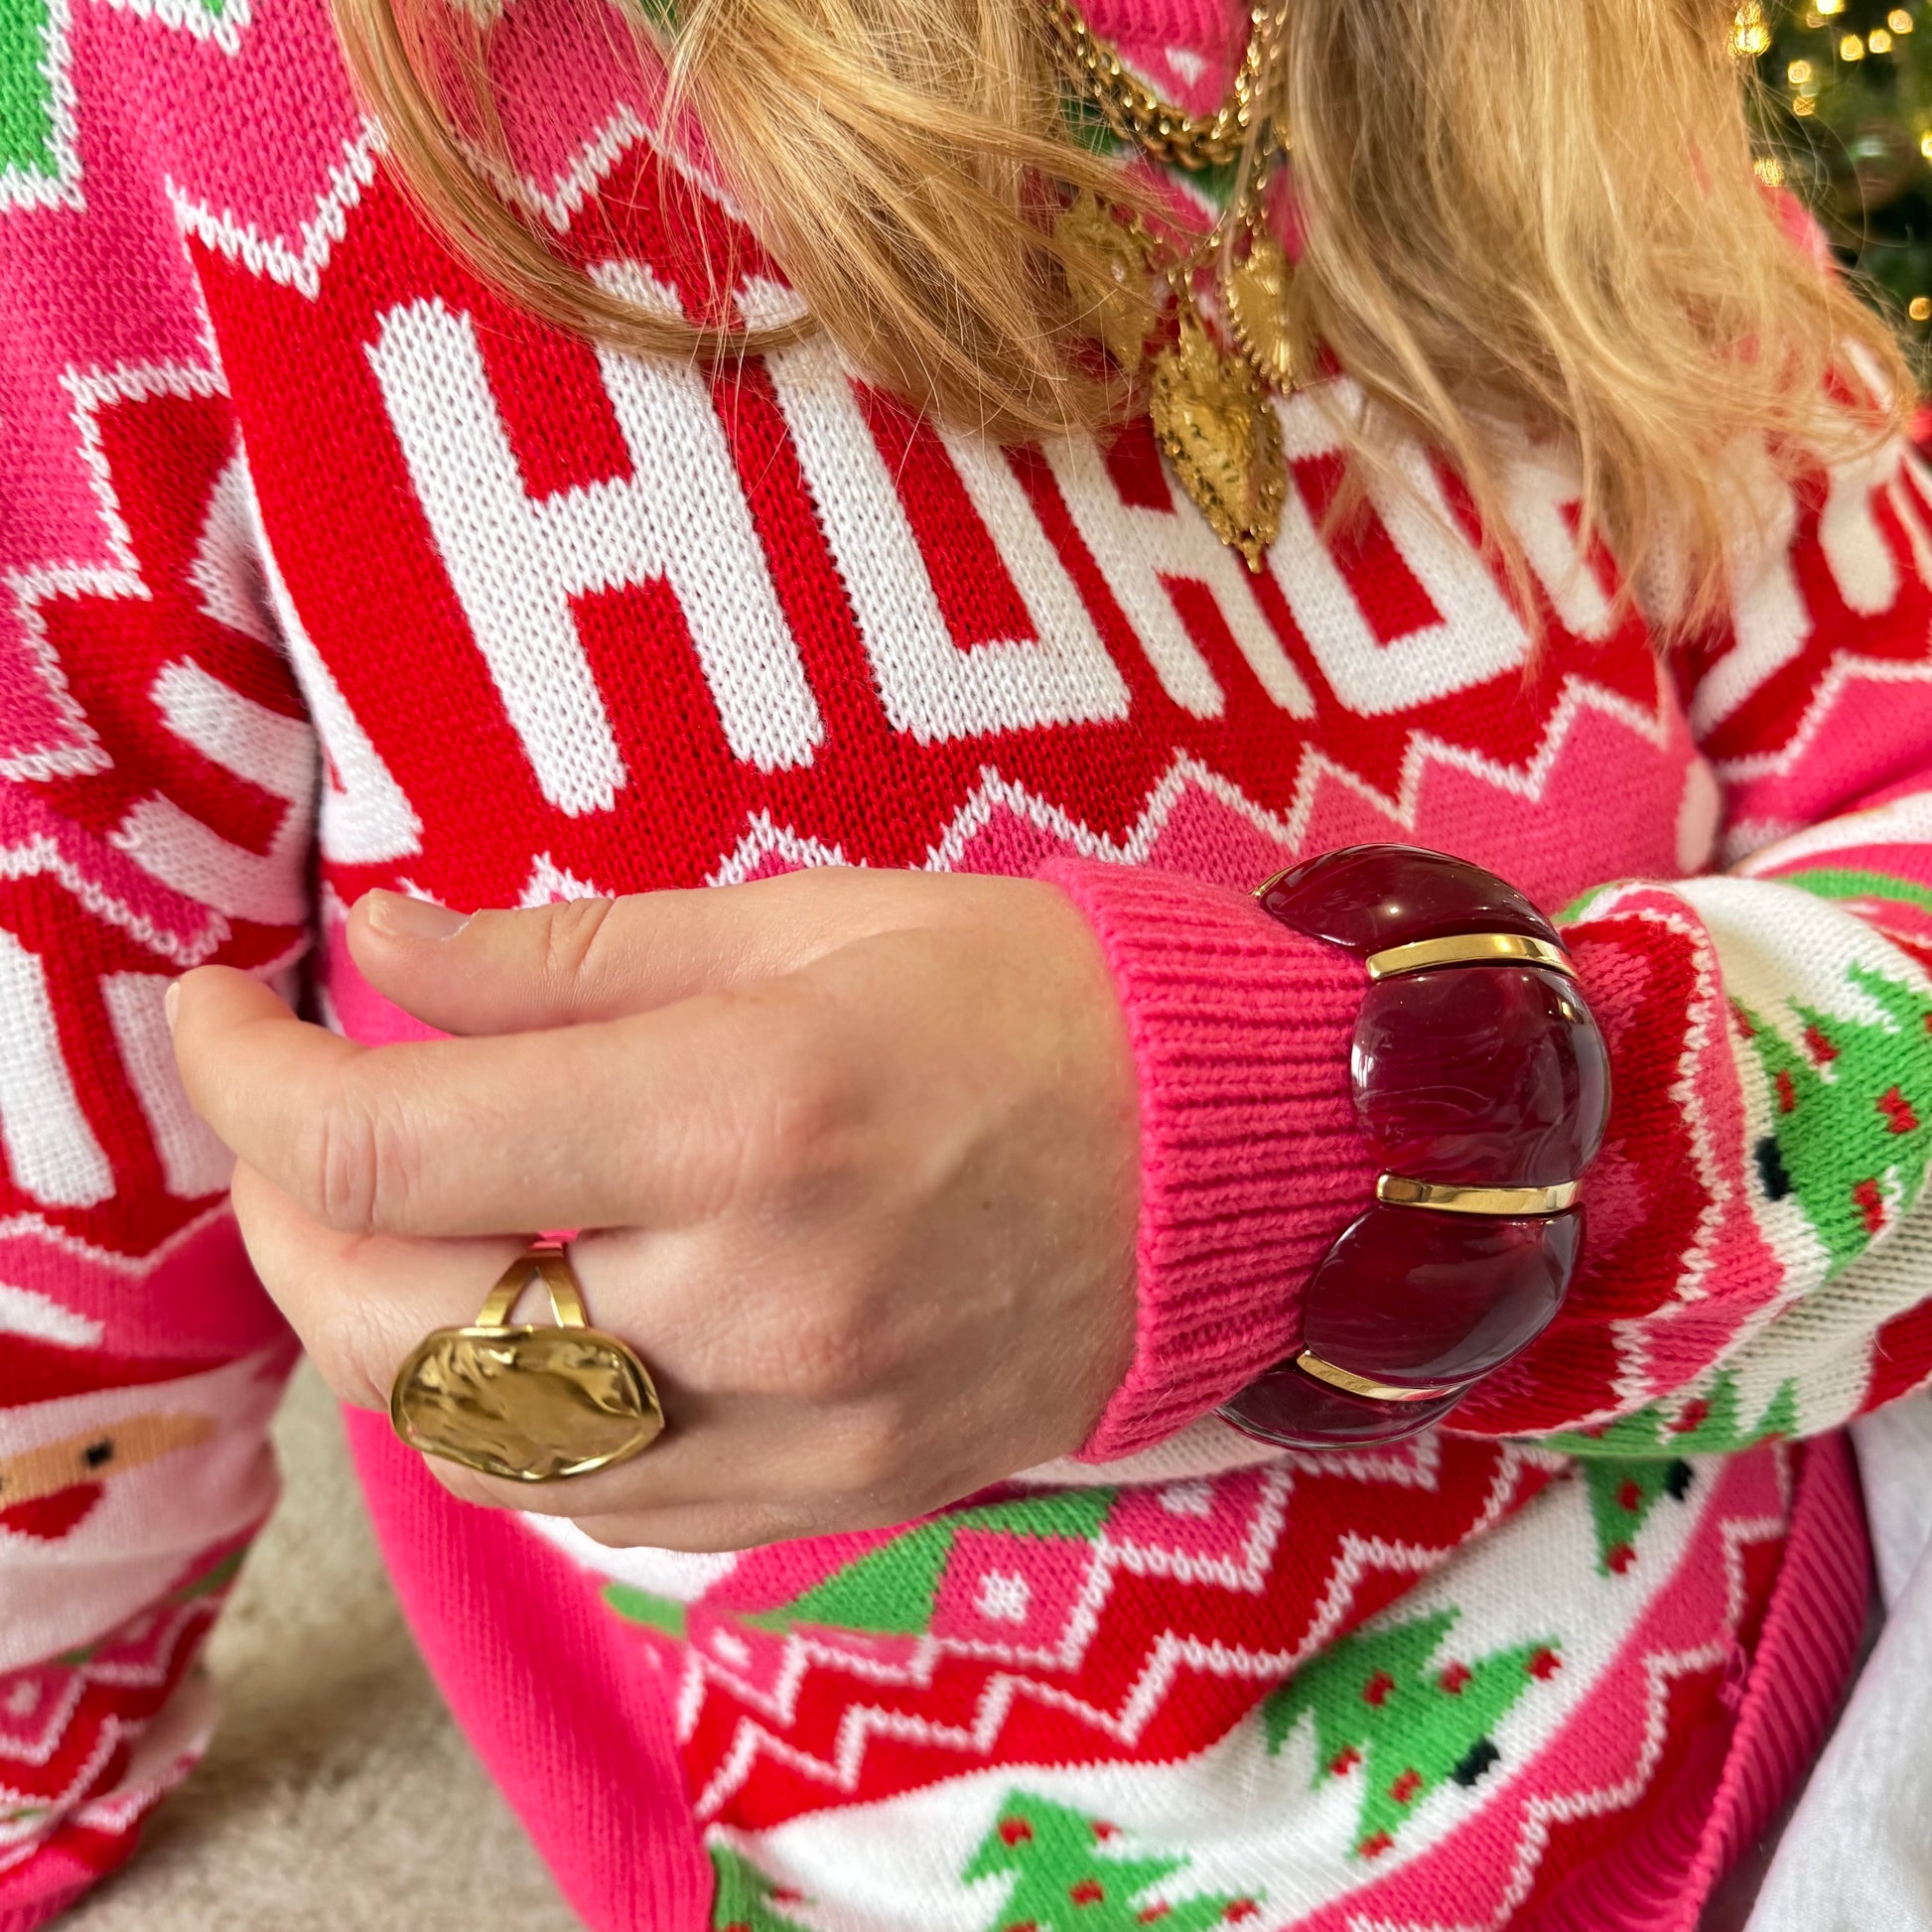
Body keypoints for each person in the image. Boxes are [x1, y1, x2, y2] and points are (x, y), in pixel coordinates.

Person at [3, 0, 1930, 1924]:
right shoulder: (154, 78)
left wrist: (1324, 1162)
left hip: (1851, 1570)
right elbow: (68, 1134)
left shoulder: (1561, 65)